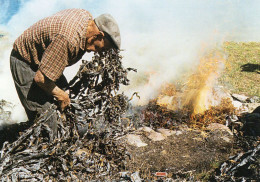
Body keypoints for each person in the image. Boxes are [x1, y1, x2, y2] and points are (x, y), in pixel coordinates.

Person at [10, 9, 121, 126]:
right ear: (98, 35)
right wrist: (61, 95)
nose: (96, 52)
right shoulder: (68, 40)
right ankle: (15, 133)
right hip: (25, 60)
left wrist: (64, 95)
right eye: (100, 48)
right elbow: (41, 78)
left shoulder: (86, 18)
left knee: (70, 105)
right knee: (46, 122)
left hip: (45, 57)